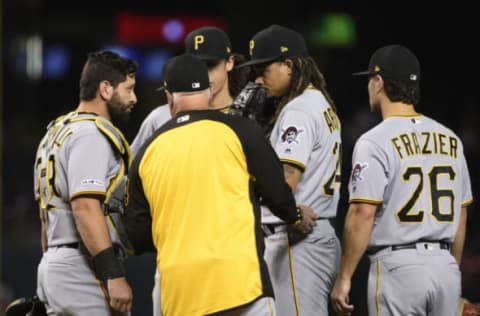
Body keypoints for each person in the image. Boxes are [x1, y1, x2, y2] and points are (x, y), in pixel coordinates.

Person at [122, 53, 317, 316]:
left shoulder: (147, 151)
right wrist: (294, 215)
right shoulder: (240, 130)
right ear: (209, 91)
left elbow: (138, 234)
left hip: (179, 291)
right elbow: (277, 193)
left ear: (169, 96)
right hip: (240, 285)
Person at [330, 45, 473, 316]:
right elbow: (461, 216)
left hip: (398, 267)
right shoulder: (451, 139)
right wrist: (450, 269)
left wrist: (344, 277)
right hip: (445, 266)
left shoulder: (374, 140)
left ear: (379, 82)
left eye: (370, 79)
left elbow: (362, 212)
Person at [238, 24, 342, 315]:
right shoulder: (318, 102)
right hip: (315, 235)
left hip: (298, 237)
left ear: (288, 65)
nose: (258, 79)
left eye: (263, 69)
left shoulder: (298, 110)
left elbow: (285, 183)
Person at [33, 50, 137, 315]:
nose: (133, 98)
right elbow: (85, 206)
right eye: (128, 89)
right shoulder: (89, 134)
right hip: (82, 265)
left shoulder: (57, 130)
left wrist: (51, 266)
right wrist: (112, 274)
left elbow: (44, 217)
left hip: (57, 260)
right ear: (105, 89)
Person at [130, 25, 252, 155]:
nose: (203, 75)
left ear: (229, 63)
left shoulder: (250, 115)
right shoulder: (160, 117)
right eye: (197, 66)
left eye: (211, 65)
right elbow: (132, 167)